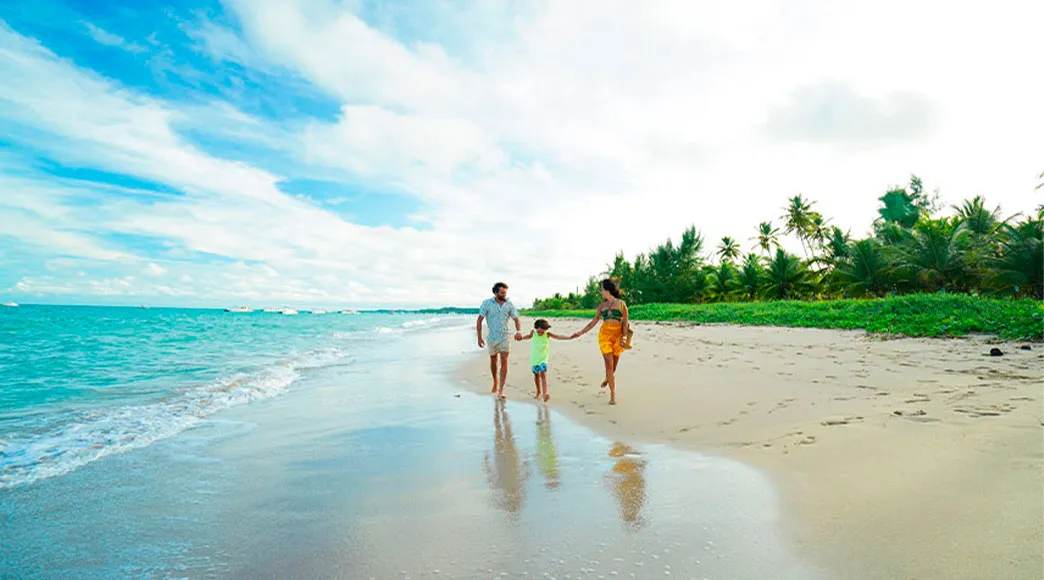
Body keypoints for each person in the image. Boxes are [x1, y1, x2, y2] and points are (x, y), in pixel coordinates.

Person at [570, 278, 630, 405]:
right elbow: (594, 321)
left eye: (602, 289)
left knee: (613, 367)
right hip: (604, 336)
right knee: (609, 365)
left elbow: (625, 323)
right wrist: (580, 332)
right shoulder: (602, 306)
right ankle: (612, 394)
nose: (601, 292)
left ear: (607, 290)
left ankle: (608, 378)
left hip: (618, 336)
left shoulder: (621, 304)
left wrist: (624, 337)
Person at [476, 282, 522, 399]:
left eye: (505, 293)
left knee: (504, 361)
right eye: (502, 293)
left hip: (505, 337)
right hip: (492, 337)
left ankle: (501, 389)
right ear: (495, 292)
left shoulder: (509, 304)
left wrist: (518, 331)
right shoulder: (487, 303)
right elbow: (479, 320)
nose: (504, 295)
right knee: (493, 361)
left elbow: (516, 319)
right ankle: (495, 381)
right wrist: (479, 337)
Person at [515, 318, 571, 402]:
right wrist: (521, 338)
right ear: (536, 328)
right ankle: (538, 392)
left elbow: (558, 337)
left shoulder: (547, 334)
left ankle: (545, 393)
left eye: (543, 331)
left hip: (543, 358)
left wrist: (569, 337)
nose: (541, 332)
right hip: (535, 358)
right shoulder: (533, 332)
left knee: (543, 374)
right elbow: (528, 336)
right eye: (540, 330)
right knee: (536, 375)